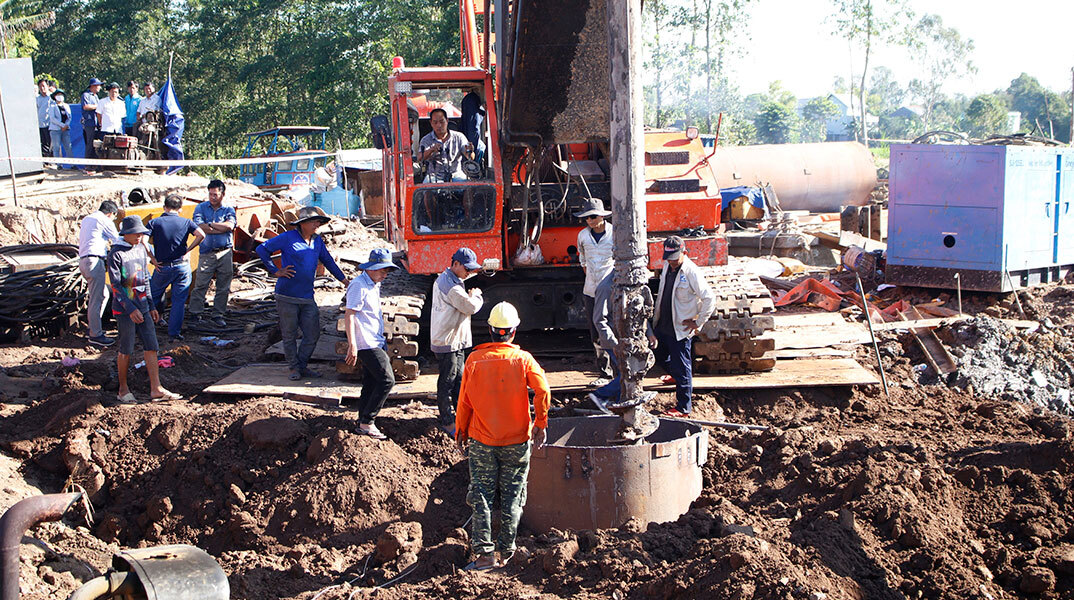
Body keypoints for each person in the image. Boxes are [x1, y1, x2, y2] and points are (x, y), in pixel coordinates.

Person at [456, 301, 550, 571]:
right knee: (513, 496)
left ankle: (484, 556)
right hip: (516, 441)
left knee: (482, 496)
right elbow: (543, 390)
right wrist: (540, 423)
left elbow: (464, 401)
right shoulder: (523, 360)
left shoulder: (474, 360)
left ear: (490, 330)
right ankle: (506, 553)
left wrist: (461, 430)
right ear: (513, 331)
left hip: (482, 441)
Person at [256, 207, 349, 381]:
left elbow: (328, 261)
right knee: (289, 334)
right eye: (314, 222)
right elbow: (262, 249)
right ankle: (293, 368)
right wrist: (275, 271)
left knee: (312, 333)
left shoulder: (317, 241)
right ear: (303, 224)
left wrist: (345, 281)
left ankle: (302, 364)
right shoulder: (288, 238)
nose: (317, 225)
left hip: (307, 297)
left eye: (319, 222)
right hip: (287, 296)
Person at [107, 216, 182, 403]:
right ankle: (123, 389)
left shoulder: (141, 249)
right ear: (126, 234)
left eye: (141, 234)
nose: (140, 237)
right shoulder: (116, 254)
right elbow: (116, 286)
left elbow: (144, 278)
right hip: (125, 309)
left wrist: (150, 305)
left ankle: (156, 388)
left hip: (142, 305)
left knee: (152, 346)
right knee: (126, 348)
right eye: (136, 234)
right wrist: (131, 308)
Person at [650, 236, 716, 417]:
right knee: (657, 355)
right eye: (668, 258)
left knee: (682, 364)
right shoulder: (667, 266)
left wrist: (698, 322)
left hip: (680, 327)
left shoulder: (691, 272)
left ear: (684, 253)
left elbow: (709, 298)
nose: (671, 262)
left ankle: (683, 407)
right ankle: (676, 375)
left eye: (675, 258)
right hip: (664, 323)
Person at [343, 248, 398, 440]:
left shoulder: (374, 284)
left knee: (371, 381)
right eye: (382, 270)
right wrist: (352, 345)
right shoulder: (358, 285)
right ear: (372, 268)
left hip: (376, 339)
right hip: (366, 342)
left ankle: (362, 421)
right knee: (387, 380)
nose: (385, 274)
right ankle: (368, 421)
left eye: (387, 271)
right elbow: (350, 314)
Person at [430, 247, 484, 436]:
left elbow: (462, 280)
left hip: (454, 340)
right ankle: (447, 420)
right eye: (467, 268)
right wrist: (476, 295)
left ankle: (459, 416)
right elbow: (469, 306)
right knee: (448, 381)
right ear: (455, 264)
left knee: (459, 380)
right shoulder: (450, 285)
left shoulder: (451, 278)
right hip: (448, 341)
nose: (469, 272)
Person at [148, 194, 205, 342]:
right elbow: (201, 234)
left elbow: (141, 239)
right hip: (182, 266)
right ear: (180, 209)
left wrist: (152, 258)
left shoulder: (155, 222)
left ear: (164, 207)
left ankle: (144, 329)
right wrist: (189, 250)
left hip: (162, 267)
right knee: (179, 301)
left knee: (151, 297)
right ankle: (174, 333)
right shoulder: (186, 222)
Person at [575, 197, 614, 378]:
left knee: (613, 328)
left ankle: (618, 369)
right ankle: (604, 371)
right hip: (590, 289)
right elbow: (582, 258)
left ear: (601, 216)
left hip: (611, 290)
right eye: (587, 218)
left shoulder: (614, 233)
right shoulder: (583, 235)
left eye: (592, 217)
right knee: (595, 331)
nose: (589, 220)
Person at [189, 179, 236, 326]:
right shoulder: (200, 208)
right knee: (200, 284)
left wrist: (209, 225)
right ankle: (195, 314)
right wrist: (217, 227)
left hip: (225, 253)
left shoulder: (229, 209)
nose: (212, 197)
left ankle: (218, 314)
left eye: (215, 194)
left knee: (223, 286)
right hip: (207, 253)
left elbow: (229, 226)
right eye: (210, 194)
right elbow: (199, 226)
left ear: (222, 194)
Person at [78, 201, 121, 346]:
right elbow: (117, 239)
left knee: (103, 294)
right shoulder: (103, 219)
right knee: (96, 298)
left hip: (84, 261)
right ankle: (95, 335)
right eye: (114, 217)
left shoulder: (87, 219)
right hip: (94, 261)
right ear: (111, 213)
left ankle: (94, 327)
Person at [418, 108, 471, 183]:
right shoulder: (426, 140)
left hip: (456, 174)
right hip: (434, 175)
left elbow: (470, 157)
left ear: (447, 120)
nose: (439, 125)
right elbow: (420, 158)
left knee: (469, 186)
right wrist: (431, 150)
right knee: (427, 188)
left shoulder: (459, 137)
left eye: (442, 122)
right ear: (431, 123)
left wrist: (469, 150)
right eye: (435, 122)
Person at [47, 89, 74, 168]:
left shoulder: (66, 106)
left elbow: (69, 117)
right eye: (58, 95)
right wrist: (61, 125)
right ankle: (58, 165)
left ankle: (72, 164)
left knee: (68, 147)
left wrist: (66, 125)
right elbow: (52, 118)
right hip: (55, 129)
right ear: (55, 97)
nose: (60, 96)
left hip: (65, 129)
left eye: (61, 95)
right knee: (56, 147)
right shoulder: (52, 106)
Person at [80, 78, 102, 163]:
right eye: (98, 85)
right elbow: (86, 106)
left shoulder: (96, 96)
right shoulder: (86, 95)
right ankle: (88, 166)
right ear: (93, 86)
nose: (99, 87)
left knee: (96, 145)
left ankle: (95, 164)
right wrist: (97, 106)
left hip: (96, 123)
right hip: (89, 123)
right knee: (89, 144)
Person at [35, 78, 52, 156]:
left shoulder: (52, 97)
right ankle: (46, 160)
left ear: (48, 86)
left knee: (51, 143)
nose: (42, 88)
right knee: (44, 143)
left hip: (51, 124)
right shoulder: (37, 99)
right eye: (40, 87)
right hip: (41, 124)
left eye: (43, 86)